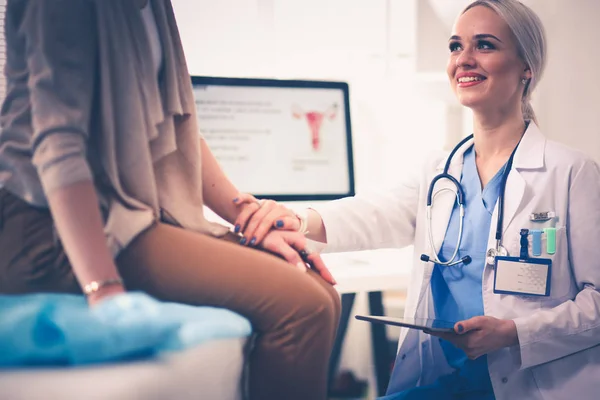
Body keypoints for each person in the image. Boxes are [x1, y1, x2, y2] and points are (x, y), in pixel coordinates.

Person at [235, 0, 600, 398]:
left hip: (529, 383)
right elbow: (375, 213)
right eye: (455, 46)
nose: (464, 59)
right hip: (445, 379)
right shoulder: (439, 171)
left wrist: (514, 333)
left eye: (485, 45)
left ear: (526, 67)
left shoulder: (571, 173)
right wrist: (294, 220)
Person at [0, 1, 340, 399]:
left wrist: (251, 218)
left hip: (125, 214)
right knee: (303, 307)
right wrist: (105, 290)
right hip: (48, 228)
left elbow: (173, 126)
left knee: (322, 292)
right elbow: (59, 147)